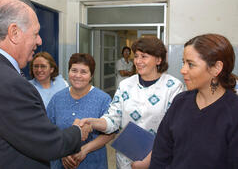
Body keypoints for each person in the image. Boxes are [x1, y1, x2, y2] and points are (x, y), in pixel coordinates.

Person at [0, 0, 91, 169]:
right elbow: (48, 144)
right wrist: (78, 132)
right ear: (14, 33)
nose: (39, 41)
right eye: (35, 33)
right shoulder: (10, 83)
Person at [80, 36, 184, 169]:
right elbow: (113, 120)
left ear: (158, 59)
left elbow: (174, 132)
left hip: (157, 160)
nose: (138, 61)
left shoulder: (173, 87)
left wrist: (149, 161)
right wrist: (93, 122)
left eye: (144, 56)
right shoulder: (125, 85)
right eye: (136, 56)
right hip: (125, 161)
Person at [150, 34, 238, 169]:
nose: (183, 70)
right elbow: (161, 154)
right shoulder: (180, 102)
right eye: (183, 62)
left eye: (190, 64)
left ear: (216, 68)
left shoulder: (233, 112)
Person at [47, 53, 115, 169]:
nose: (78, 75)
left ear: (91, 75)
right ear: (68, 72)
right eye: (74, 70)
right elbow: (48, 130)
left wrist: (84, 150)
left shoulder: (103, 99)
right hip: (60, 163)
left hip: (93, 163)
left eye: (84, 72)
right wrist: (63, 152)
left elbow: (110, 133)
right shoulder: (57, 99)